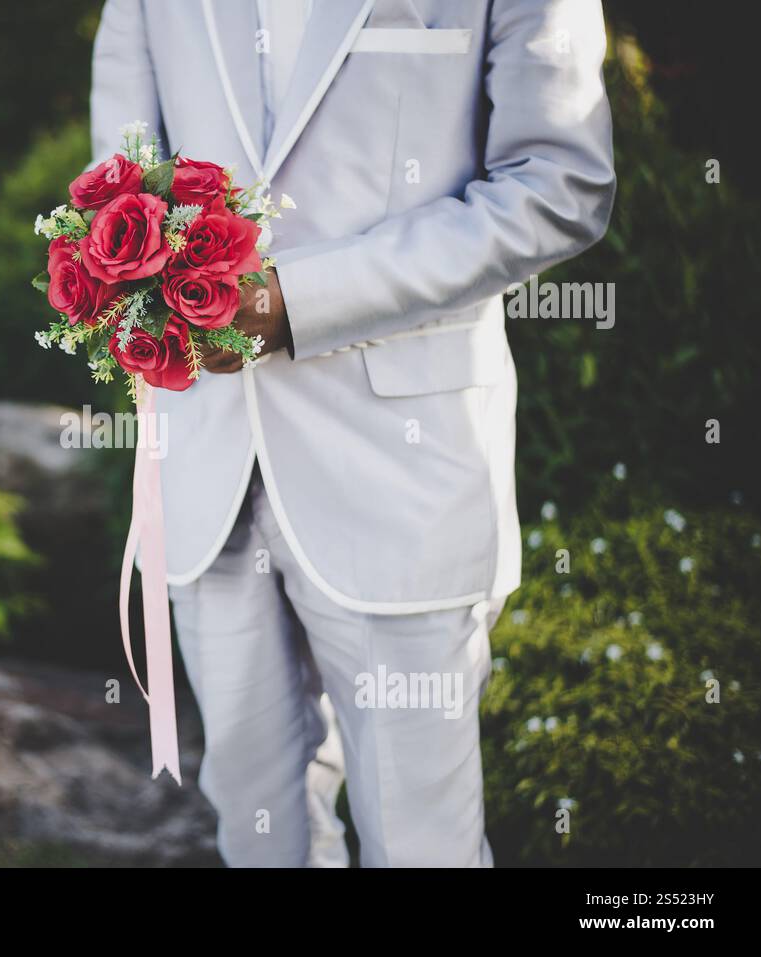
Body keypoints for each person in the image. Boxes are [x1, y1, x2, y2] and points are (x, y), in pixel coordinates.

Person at [90, 0, 615, 866]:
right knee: (256, 832)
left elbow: (560, 184)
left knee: (422, 845)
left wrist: (301, 302)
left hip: (400, 467)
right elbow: (118, 181)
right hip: (206, 462)